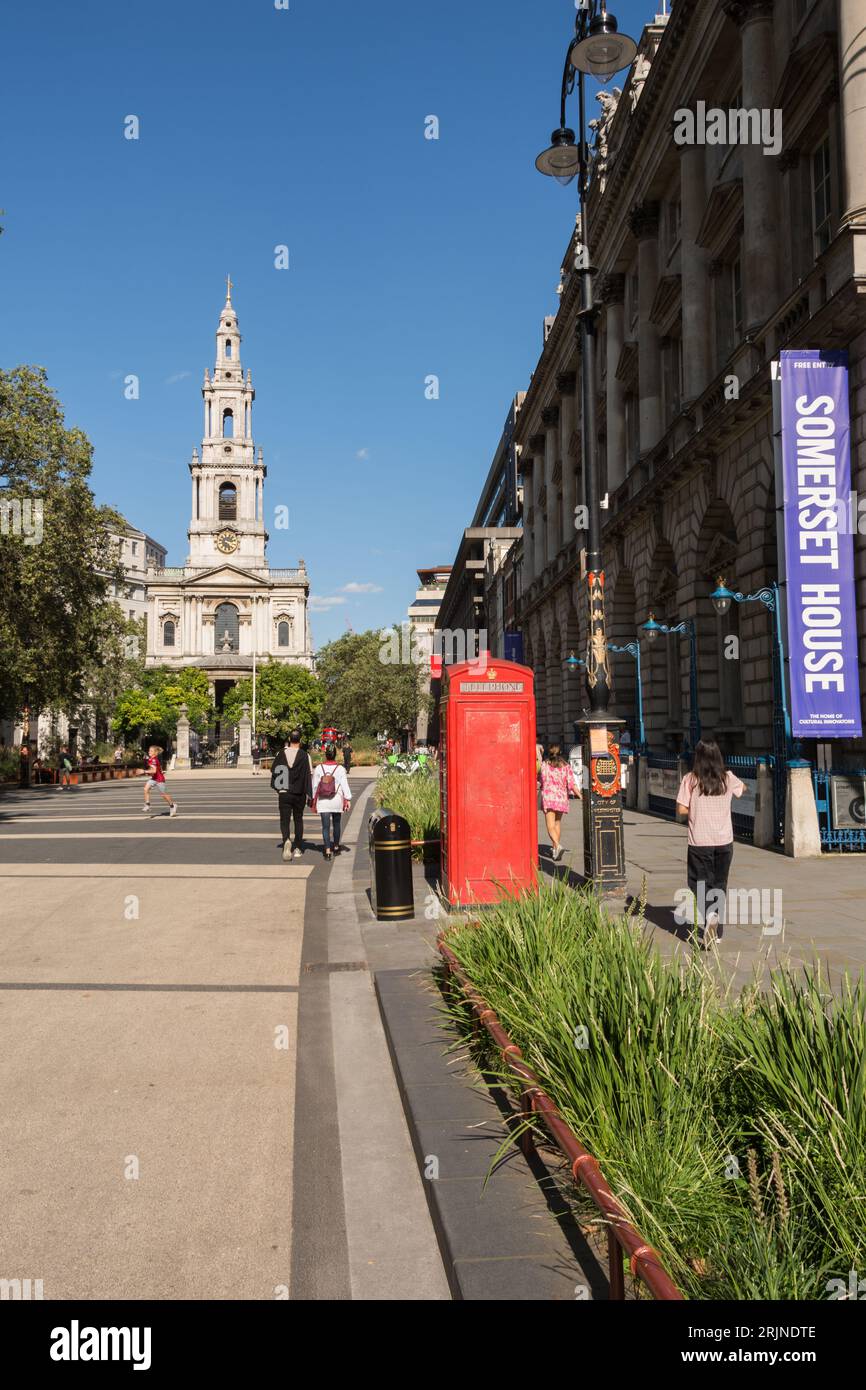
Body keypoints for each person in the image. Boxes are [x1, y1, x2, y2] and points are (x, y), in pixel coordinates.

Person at [675, 739, 745, 946]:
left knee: (698, 883)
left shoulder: (691, 780)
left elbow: (681, 809)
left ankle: (710, 916)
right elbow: (743, 790)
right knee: (720, 883)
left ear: (698, 757)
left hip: (700, 840)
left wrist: (697, 809)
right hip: (724, 840)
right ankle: (717, 929)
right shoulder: (728, 778)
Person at [270, 729, 312, 861]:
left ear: (289, 738)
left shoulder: (280, 754)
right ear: (300, 740)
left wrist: (279, 789)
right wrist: (309, 795)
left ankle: (286, 840)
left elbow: (275, 772)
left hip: (284, 792)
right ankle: (298, 847)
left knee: (285, 820)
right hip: (299, 792)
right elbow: (308, 776)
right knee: (298, 819)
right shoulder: (305, 756)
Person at [538, 743, 580, 861]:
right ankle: (555, 850)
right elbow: (571, 784)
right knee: (557, 823)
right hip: (561, 798)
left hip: (549, 797)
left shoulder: (545, 765)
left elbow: (542, 780)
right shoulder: (566, 766)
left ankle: (557, 845)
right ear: (561, 753)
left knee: (550, 826)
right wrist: (580, 795)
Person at [312, 743, 351, 861]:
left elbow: (314, 786)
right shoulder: (340, 769)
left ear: (326, 755)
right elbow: (344, 785)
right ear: (335, 755)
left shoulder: (319, 768)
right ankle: (336, 846)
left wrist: (313, 800)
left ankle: (327, 851)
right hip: (336, 800)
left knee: (325, 826)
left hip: (323, 801)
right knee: (337, 824)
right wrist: (347, 799)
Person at [140, 745, 177, 816]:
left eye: (151, 751)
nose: (149, 752)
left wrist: (144, 771)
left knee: (164, 795)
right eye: (149, 750)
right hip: (154, 778)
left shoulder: (153, 760)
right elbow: (155, 770)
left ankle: (172, 805)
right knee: (145, 789)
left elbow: (153, 771)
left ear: (155, 753)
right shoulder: (151, 759)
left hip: (159, 779)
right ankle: (147, 805)